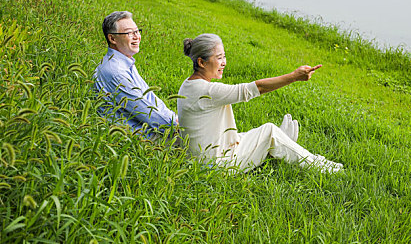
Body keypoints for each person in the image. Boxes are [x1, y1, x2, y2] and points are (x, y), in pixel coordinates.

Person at [177, 33, 343, 173]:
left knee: (248, 136)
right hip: (215, 166)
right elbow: (256, 88)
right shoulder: (207, 91)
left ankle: (282, 143)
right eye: (219, 58)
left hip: (201, 161)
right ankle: (318, 165)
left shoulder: (188, 85)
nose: (224, 62)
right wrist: (294, 76)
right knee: (269, 131)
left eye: (224, 56)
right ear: (201, 62)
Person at [93, 11, 178, 139]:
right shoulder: (115, 71)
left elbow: (150, 97)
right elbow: (145, 111)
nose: (136, 36)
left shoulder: (125, 62)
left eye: (137, 31)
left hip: (151, 128)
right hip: (139, 137)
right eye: (129, 33)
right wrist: (175, 126)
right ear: (112, 38)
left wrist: (174, 118)